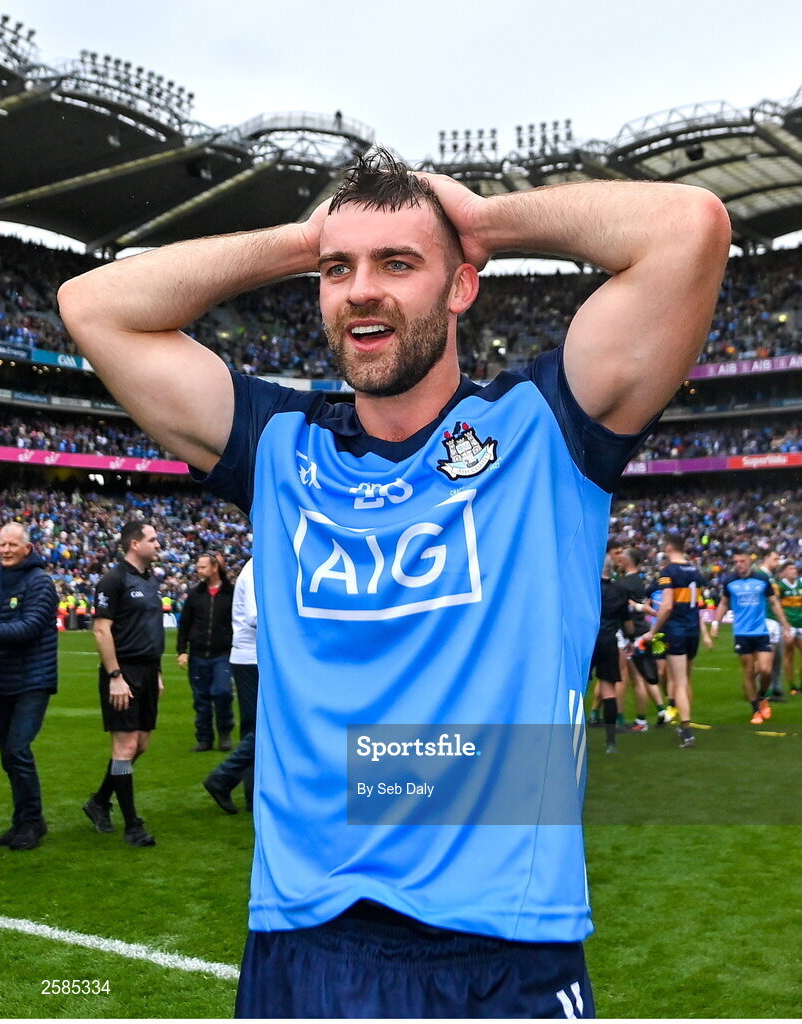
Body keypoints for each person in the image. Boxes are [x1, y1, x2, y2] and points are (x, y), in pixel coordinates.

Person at [58, 148, 730, 1018]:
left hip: (502, 947)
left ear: (460, 289)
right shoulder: (280, 446)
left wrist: (482, 225)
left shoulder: (542, 427)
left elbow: (689, 228)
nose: (360, 289)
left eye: (398, 264)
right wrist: (307, 239)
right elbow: (94, 306)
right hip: (304, 941)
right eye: (341, 272)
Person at [83, 521, 164, 847]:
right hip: (123, 672)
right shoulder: (112, 580)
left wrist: (155, 670)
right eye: (153, 539)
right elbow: (101, 630)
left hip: (147, 670)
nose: (158, 544)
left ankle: (99, 801)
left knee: (139, 746)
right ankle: (133, 826)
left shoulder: (150, 579)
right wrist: (115, 676)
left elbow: (149, 629)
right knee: (125, 746)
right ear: (134, 544)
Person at [0, 522, 57, 851]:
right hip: (1, 680)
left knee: (17, 749)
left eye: (12, 544)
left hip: (34, 678)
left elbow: (29, 627)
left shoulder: (41, 582)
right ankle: (21, 822)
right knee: (8, 755)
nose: (5, 549)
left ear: (27, 548)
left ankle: (33, 822)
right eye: (1, 543)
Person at [641, 533, 711, 748]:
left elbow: (668, 606)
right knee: (686, 679)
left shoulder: (667, 572)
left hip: (677, 630)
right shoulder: (694, 570)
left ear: (669, 548)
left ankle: (686, 730)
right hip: (692, 630)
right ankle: (685, 723)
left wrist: (653, 631)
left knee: (678, 681)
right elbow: (698, 602)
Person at [203, 557, 258, 814]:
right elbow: (254, 617)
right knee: (263, 729)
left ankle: (251, 795)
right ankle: (222, 779)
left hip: (251, 656)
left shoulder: (258, 565)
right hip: (253, 657)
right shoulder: (257, 568)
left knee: (253, 728)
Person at [711, 551, 792, 725]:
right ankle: (755, 710)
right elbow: (724, 603)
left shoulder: (761, 581)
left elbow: (773, 603)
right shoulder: (730, 581)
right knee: (748, 672)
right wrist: (716, 622)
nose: (739, 564)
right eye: (736, 561)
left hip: (761, 632)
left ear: (749, 562)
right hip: (741, 634)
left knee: (765, 670)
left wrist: (784, 624)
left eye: (742, 560)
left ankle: (762, 696)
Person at [176, 553, 235, 752]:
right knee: (201, 698)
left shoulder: (231, 594)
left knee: (222, 692)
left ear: (214, 567)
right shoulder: (195, 594)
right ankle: (204, 738)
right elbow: (185, 624)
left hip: (223, 653)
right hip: (199, 654)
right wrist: (182, 651)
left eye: (202, 567)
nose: (199, 571)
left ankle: (224, 732)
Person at [617, 547, 667, 731]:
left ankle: (641, 722)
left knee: (637, 679)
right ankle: (662, 710)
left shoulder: (624, 584)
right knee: (646, 676)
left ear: (629, 561)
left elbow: (624, 606)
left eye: (622, 557)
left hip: (634, 634)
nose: (619, 560)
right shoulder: (638, 581)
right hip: (642, 631)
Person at [590, 557, 634, 754]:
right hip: (608, 640)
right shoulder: (618, 591)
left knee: (573, 688)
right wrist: (631, 639)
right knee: (609, 691)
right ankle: (610, 742)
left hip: (588, 640)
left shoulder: (589, 587)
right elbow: (627, 621)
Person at [755, 549, 785, 700]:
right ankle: (758, 689)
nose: (777, 562)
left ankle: (773, 688)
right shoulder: (760, 576)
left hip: (774, 620)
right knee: (767, 658)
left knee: (775, 657)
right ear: (766, 558)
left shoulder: (770, 577)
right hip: (765, 620)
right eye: (775, 558)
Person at [776, 562, 802, 693]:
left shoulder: (800, 584)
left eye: (794, 568)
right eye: (791, 569)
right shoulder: (780, 586)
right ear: (784, 572)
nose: (794, 570)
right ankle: (792, 685)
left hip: (800, 623)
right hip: (788, 625)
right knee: (789, 654)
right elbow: (776, 605)